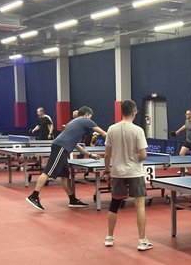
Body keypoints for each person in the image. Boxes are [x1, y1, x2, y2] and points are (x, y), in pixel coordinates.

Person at [26, 106, 107, 210]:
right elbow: (104, 133)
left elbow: (75, 144)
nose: (90, 119)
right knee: (48, 171)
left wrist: (90, 155)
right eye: (90, 116)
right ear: (87, 114)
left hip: (60, 146)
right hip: (61, 147)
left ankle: (72, 200)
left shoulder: (72, 122)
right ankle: (34, 196)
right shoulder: (86, 120)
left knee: (65, 175)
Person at [103, 99, 153, 251]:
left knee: (114, 204)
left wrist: (107, 171)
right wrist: (134, 158)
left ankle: (109, 238)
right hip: (135, 172)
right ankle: (142, 241)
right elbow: (143, 155)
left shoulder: (111, 129)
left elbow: (107, 154)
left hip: (117, 172)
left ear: (122, 111)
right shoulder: (138, 130)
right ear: (134, 112)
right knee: (140, 206)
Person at [171, 109, 191, 174]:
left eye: (188, 114)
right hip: (187, 141)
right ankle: (184, 169)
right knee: (181, 153)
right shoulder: (186, 121)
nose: (186, 115)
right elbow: (185, 126)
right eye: (186, 114)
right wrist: (178, 131)